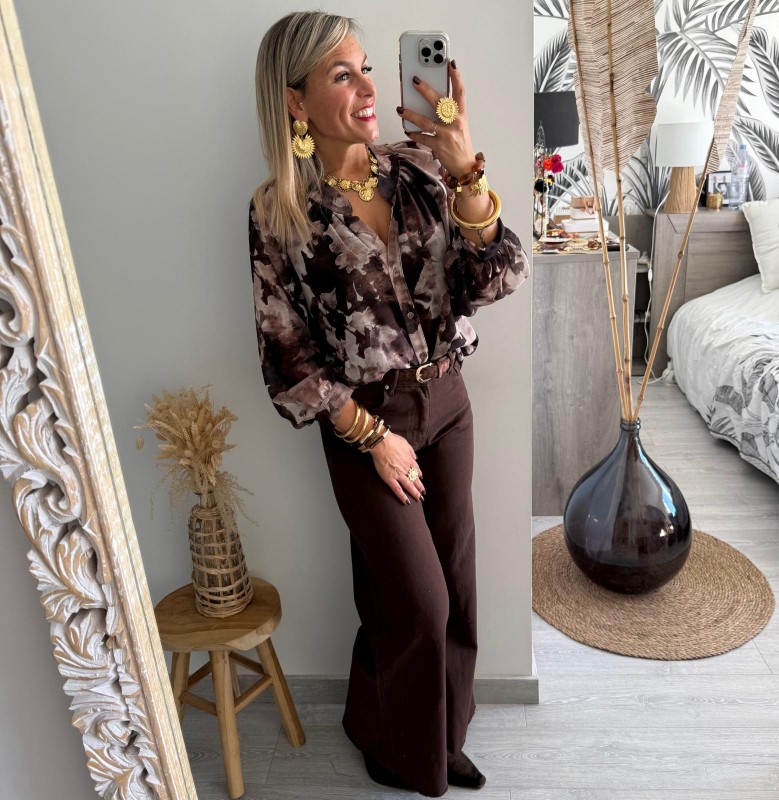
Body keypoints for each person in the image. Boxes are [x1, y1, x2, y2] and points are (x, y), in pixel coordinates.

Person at [248, 11, 529, 797]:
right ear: (296, 101)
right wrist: (373, 437)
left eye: (368, 68)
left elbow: (496, 279)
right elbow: (285, 354)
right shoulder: (279, 212)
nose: (369, 88)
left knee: (456, 585)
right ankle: (401, 748)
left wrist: (467, 170)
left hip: (449, 400)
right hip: (363, 420)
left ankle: (443, 734)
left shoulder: (422, 167)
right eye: (342, 75)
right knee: (417, 598)